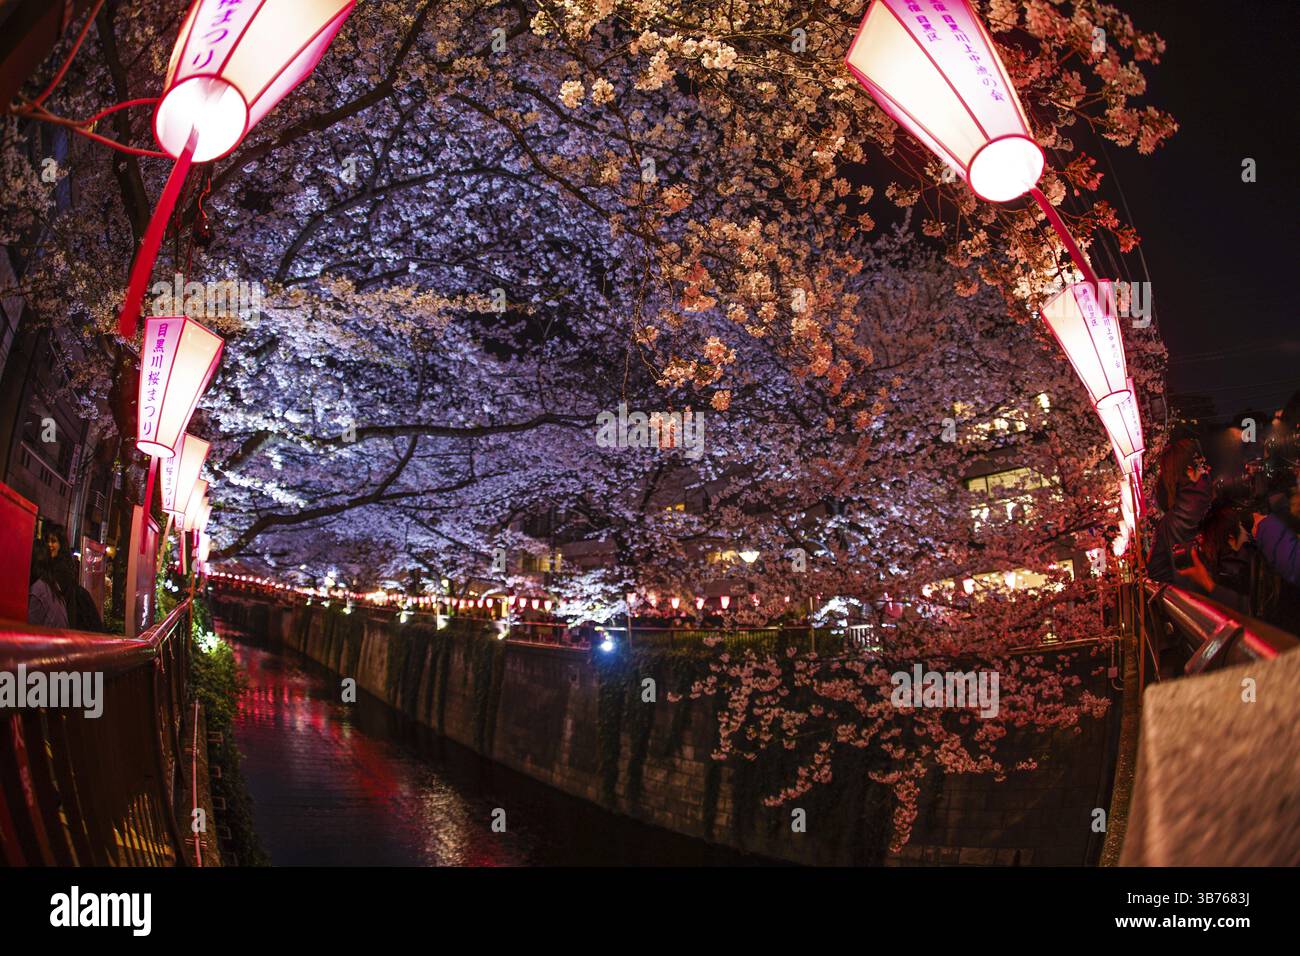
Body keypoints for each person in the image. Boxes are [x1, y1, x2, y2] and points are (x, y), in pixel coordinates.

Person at [1147, 438, 1212, 584]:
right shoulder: (1204, 503)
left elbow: (1156, 570)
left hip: (1189, 602)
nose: (1207, 470)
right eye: (1202, 466)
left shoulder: (1166, 524)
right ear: (1189, 470)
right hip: (1217, 600)